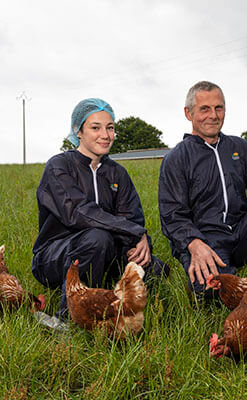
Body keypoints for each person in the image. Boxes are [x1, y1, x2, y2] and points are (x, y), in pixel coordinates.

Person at [32, 98, 169, 330]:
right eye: (95, 127)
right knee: (97, 237)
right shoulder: (59, 166)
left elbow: (130, 218)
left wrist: (139, 243)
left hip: (103, 252)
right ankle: (66, 320)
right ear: (78, 131)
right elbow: (78, 212)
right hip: (55, 256)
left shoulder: (118, 174)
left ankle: (111, 308)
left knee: (155, 268)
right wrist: (137, 232)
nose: (105, 135)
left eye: (110, 127)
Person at [158, 81, 247, 298]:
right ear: (188, 113)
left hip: (241, 233)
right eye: (204, 109)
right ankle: (226, 282)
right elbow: (172, 215)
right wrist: (193, 243)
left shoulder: (239, 147)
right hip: (206, 241)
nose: (213, 115)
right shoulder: (176, 158)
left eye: (219, 108)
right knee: (214, 295)